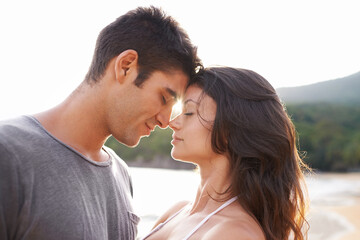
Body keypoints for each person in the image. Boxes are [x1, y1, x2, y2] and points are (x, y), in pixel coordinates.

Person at [0, 6, 201, 240]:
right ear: (125, 66)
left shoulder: (121, 175)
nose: (166, 121)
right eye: (164, 98)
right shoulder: (9, 154)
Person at [142, 67, 309, 240]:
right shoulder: (177, 211)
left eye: (189, 112)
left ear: (229, 130)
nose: (172, 123)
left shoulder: (235, 233)